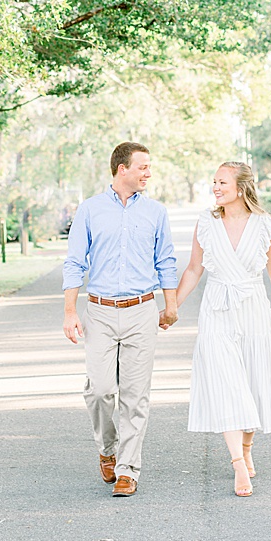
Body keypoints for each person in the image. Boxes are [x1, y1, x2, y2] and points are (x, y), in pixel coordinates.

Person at [61, 141, 178, 497]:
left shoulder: (156, 212)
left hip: (142, 311)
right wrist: (70, 311)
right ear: (121, 169)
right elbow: (75, 261)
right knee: (99, 391)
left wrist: (170, 305)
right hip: (100, 311)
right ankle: (107, 449)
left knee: (135, 395)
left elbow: (166, 262)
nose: (148, 173)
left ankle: (128, 469)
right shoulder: (90, 210)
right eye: (142, 167)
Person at [174, 161, 271, 496]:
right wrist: (172, 307)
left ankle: (247, 447)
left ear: (240, 188)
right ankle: (237, 465)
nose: (215, 187)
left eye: (221, 182)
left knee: (254, 384)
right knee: (227, 385)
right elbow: (195, 270)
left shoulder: (266, 226)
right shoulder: (206, 223)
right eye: (213, 181)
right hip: (217, 309)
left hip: (254, 308)